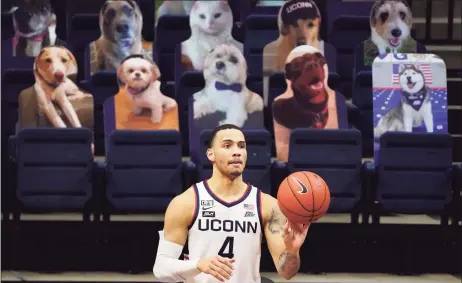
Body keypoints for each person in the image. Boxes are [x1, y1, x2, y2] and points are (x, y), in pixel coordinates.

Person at [153, 124, 310, 283]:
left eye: (241, 146)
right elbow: (161, 269)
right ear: (211, 154)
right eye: (227, 146)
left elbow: (287, 273)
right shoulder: (186, 202)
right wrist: (198, 265)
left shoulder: (268, 205)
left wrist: (292, 250)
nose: (237, 151)